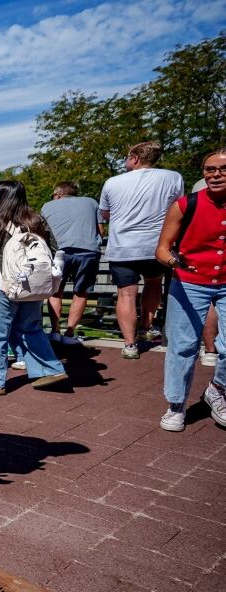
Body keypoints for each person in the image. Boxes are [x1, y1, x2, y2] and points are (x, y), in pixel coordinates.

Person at [0, 181, 68, 395]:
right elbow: (53, 248)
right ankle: (49, 370)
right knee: (31, 327)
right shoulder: (36, 220)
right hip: (32, 283)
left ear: (3, 197)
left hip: (3, 281)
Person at [156, 148, 226, 431]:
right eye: (210, 169)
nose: (216, 174)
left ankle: (217, 388)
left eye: (223, 169)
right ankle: (176, 405)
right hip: (189, 282)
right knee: (183, 346)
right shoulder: (186, 204)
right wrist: (174, 262)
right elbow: (162, 248)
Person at [99, 141, 184, 358]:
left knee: (126, 294)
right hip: (156, 246)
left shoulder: (112, 182)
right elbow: (179, 208)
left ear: (135, 158)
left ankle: (130, 345)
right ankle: (146, 326)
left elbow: (106, 214)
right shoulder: (173, 177)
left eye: (127, 158)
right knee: (154, 283)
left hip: (122, 247)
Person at [41, 181, 102, 345]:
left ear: (57, 194)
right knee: (81, 293)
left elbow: (43, 232)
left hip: (59, 252)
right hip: (88, 251)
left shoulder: (47, 206)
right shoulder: (91, 202)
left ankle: (55, 331)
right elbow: (101, 231)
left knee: (55, 292)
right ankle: (69, 334)